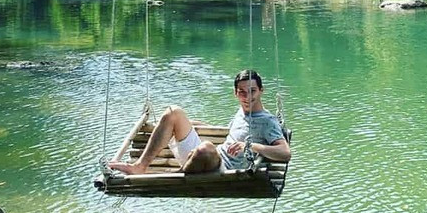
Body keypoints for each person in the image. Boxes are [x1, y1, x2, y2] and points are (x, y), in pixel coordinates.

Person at [106, 69, 290, 176]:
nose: (247, 96)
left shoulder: (267, 122)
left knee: (207, 147)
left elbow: (285, 153)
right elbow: (231, 133)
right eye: (241, 92)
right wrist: (189, 125)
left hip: (223, 171)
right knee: (174, 112)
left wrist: (250, 146)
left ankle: (176, 178)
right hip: (204, 159)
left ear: (261, 91)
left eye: (252, 91)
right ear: (235, 93)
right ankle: (140, 167)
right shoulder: (241, 112)